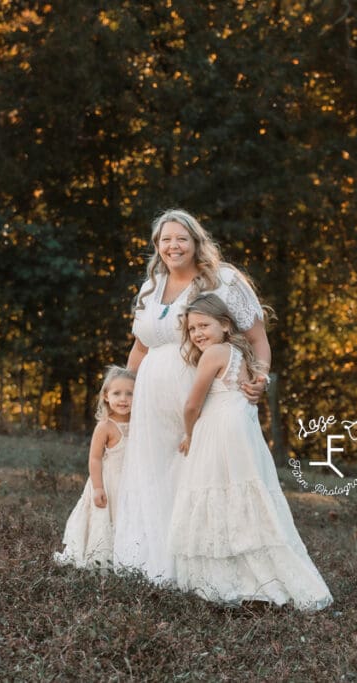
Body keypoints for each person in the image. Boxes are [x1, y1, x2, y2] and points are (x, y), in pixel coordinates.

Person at [113, 209, 271, 583]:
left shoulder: (223, 281)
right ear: (157, 247)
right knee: (153, 475)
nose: (173, 246)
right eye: (165, 240)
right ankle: (156, 562)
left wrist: (260, 377)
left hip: (203, 395)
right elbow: (139, 347)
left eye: (181, 238)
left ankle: (203, 566)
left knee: (197, 474)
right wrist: (124, 392)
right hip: (151, 399)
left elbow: (257, 338)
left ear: (197, 241)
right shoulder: (151, 287)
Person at [170, 294, 332, 610]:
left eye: (204, 325)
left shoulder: (214, 353)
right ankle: (259, 577)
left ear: (225, 325)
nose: (198, 334)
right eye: (191, 329)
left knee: (214, 491)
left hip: (219, 430)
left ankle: (223, 579)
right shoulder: (237, 354)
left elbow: (192, 405)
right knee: (243, 495)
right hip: (242, 430)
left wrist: (189, 435)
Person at [54, 366, 135, 571]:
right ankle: (101, 556)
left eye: (130, 393)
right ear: (106, 396)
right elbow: (95, 458)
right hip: (108, 483)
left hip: (131, 484)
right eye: (117, 393)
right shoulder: (105, 426)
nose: (123, 399)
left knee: (126, 518)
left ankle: (127, 556)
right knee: (106, 518)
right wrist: (98, 487)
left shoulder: (139, 423)